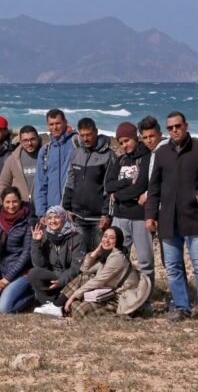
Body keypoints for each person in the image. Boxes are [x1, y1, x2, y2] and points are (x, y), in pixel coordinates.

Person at [145, 111, 198, 323]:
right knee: (173, 267)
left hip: (196, 218)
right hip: (168, 220)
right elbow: (154, 188)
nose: (174, 130)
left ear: (186, 125)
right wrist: (150, 215)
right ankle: (181, 307)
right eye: (170, 128)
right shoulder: (162, 154)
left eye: (177, 126)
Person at [104, 122, 154, 295]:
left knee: (145, 261)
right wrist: (125, 185)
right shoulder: (121, 160)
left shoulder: (147, 157)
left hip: (141, 216)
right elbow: (108, 185)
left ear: (135, 137)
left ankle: (145, 298)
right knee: (118, 258)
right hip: (119, 216)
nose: (124, 145)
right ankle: (120, 295)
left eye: (127, 141)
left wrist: (119, 195)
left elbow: (141, 185)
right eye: (121, 142)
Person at [58, 227, 152, 319]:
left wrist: (73, 296)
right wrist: (96, 251)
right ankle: (58, 305)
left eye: (111, 238)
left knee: (80, 310)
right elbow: (84, 270)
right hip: (107, 293)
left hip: (121, 299)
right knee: (84, 277)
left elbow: (98, 281)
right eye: (105, 236)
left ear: (118, 241)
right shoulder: (107, 254)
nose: (106, 240)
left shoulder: (117, 257)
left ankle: (62, 307)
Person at [62, 117, 114, 251]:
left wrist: (106, 215)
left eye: (89, 134)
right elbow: (70, 180)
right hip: (77, 216)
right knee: (80, 257)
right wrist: (66, 207)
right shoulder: (76, 152)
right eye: (82, 135)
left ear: (96, 131)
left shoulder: (108, 155)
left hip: (98, 217)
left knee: (100, 255)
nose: (85, 139)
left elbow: (110, 187)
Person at [29, 206, 85, 317]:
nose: (53, 221)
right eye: (49, 218)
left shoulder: (77, 237)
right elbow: (39, 265)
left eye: (56, 217)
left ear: (64, 218)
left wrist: (61, 280)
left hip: (70, 278)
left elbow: (77, 267)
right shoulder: (45, 235)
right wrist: (36, 242)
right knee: (34, 273)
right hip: (53, 276)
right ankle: (50, 304)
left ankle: (57, 305)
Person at [35, 109, 75, 216]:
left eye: (58, 123)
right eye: (51, 124)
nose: (54, 127)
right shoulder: (45, 150)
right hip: (52, 213)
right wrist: (41, 213)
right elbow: (40, 185)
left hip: (73, 211)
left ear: (65, 123)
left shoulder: (75, 144)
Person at [0, 125, 41, 205]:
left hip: (44, 208)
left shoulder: (47, 156)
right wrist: (4, 206)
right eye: (25, 140)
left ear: (38, 138)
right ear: (20, 141)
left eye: (33, 139)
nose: (29, 143)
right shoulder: (13, 159)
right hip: (20, 209)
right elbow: (3, 185)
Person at [137, 116, 167, 207]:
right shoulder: (152, 153)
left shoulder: (167, 153)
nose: (149, 141)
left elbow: (167, 181)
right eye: (145, 138)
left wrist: (147, 195)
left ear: (160, 134)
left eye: (152, 136)